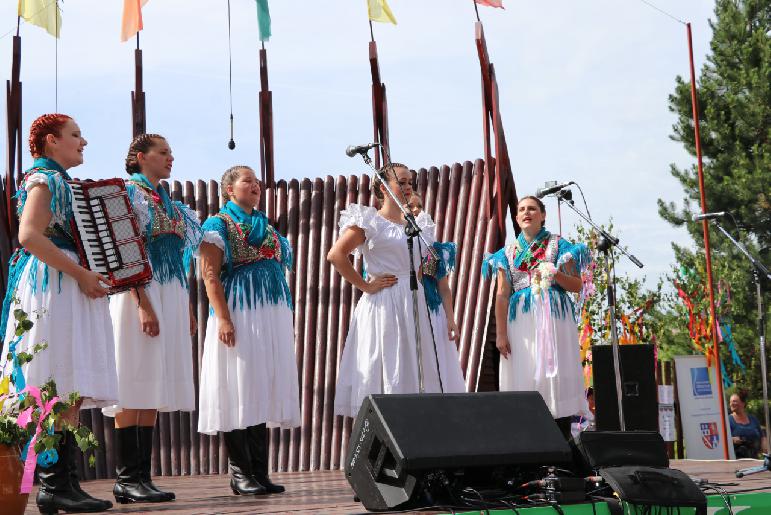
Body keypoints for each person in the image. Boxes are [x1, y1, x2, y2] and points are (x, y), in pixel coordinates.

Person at [0, 114, 116, 513]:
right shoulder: (44, 180)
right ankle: (52, 484)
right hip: (55, 282)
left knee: (67, 383)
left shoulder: (63, 183)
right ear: (51, 141)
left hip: (67, 281)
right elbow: (29, 234)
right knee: (55, 381)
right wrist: (82, 273)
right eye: (75, 135)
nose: (83, 141)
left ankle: (61, 484)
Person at [103, 133, 202, 504]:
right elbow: (124, 254)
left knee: (152, 384)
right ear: (141, 157)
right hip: (140, 295)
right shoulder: (130, 195)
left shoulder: (170, 203)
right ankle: (127, 478)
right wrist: (142, 302)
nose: (171, 158)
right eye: (164, 152)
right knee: (134, 378)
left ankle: (141, 477)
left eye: (172, 153)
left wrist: (187, 306)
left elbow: (179, 260)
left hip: (169, 294)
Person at [197, 165, 300, 495]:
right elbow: (210, 275)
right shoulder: (218, 224)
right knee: (239, 384)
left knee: (260, 385)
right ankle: (240, 473)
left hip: (269, 311)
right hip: (240, 309)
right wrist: (223, 318)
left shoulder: (265, 224)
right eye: (247, 181)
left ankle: (259, 471)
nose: (255, 185)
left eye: (257, 181)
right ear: (230, 190)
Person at [328, 163, 459, 418]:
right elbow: (336, 255)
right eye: (401, 181)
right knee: (386, 363)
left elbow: (423, 268)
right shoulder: (369, 221)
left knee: (417, 366)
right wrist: (366, 285)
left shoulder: (420, 224)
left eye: (410, 181)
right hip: (384, 302)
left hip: (415, 300)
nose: (408, 186)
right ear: (383, 187)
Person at [483, 195, 591, 438]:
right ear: (517, 217)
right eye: (521, 209)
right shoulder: (507, 253)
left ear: (543, 215)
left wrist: (555, 274)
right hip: (521, 321)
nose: (525, 212)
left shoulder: (559, 245)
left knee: (555, 374)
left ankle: (562, 437)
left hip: (554, 318)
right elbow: (501, 295)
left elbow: (576, 285)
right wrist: (500, 334)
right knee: (526, 371)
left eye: (532, 208)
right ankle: (529, 440)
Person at [407, 194, 465, 393]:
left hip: (432, 310)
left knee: (435, 361)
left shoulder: (434, 249)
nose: (415, 210)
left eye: (419, 206)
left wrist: (451, 320)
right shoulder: (391, 245)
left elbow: (444, 287)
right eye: (410, 205)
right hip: (406, 307)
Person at [729, 390, 767, 458]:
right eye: (730, 402)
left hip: (755, 459)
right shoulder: (728, 420)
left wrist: (764, 442)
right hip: (737, 460)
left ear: (743, 403)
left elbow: (762, 434)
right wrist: (731, 439)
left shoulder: (753, 419)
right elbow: (722, 439)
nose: (731, 404)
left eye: (734, 401)